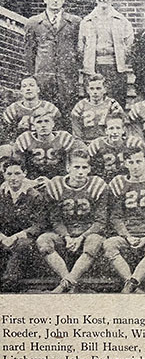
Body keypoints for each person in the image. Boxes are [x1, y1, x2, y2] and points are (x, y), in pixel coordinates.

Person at [37, 149, 107, 293]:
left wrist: (81, 237)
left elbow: (100, 221)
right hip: (65, 234)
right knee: (43, 240)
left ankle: (63, 286)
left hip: (87, 233)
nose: (80, 172)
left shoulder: (97, 185)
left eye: (84, 167)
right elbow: (55, 219)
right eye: (76, 167)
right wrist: (67, 236)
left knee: (94, 241)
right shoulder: (56, 185)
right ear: (68, 168)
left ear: (90, 169)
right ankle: (69, 282)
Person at [104, 146, 145, 293]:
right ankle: (131, 283)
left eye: (138, 161)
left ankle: (131, 284)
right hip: (129, 234)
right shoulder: (119, 184)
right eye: (131, 162)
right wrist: (127, 236)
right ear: (125, 163)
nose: (135, 166)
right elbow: (116, 217)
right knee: (109, 244)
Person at [24, 0, 81, 116]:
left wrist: (73, 70)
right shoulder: (33, 23)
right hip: (43, 77)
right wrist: (35, 75)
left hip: (67, 78)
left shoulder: (75, 22)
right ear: (44, 0)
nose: (55, 0)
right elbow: (29, 53)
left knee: (67, 113)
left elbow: (79, 50)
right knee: (43, 114)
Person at [79, 0, 134, 107]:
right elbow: (81, 45)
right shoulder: (87, 21)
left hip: (115, 67)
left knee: (116, 101)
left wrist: (120, 57)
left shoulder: (121, 20)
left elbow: (128, 43)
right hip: (94, 67)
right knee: (94, 102)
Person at [0, 158, 45, 292]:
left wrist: (16, 237)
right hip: (3, 236)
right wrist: (2, 237)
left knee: (23, 245)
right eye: (9, 174)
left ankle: (9, 283)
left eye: (17, 173)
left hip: (24, 237)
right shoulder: (1, 195)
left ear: (24, 173)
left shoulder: (34, 196)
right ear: (3, 175)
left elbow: (39, 224)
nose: (13, 178)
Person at [13, 112, 77, 182]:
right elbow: (17, 165)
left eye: (47, 121)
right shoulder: (25, 139)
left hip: (59, 181)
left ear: (53, 124)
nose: (43, 125)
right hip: (32, 180)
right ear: (33, 126)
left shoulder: (64, 138)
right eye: (39, 122)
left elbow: (75, 163)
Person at [2, 76, 61, 142]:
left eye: (31, 85)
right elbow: (5, 134)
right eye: (24, 86)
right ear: (21, 91)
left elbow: (59, 131)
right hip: (20, 147)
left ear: (38, 89)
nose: (28, 89)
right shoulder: (12, 110)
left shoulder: (49, 108)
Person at [70, 73, 125, 144]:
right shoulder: (80, 106)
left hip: (107, 143)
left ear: (105, 89)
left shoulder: (112, 104)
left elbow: (118, 127)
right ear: (87, 90)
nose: (95, 92)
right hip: (87, 143)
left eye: (98, 88)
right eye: (92, 89)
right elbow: (76, 131)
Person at [88, 116, 144, 182]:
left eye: (118, 128)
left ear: (123, 130)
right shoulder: (96, 145)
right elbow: (88, 166)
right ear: (106, 131)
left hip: (128, 182)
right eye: (111, 128)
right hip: (105, 181)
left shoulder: (133, 143)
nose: (115, 132)